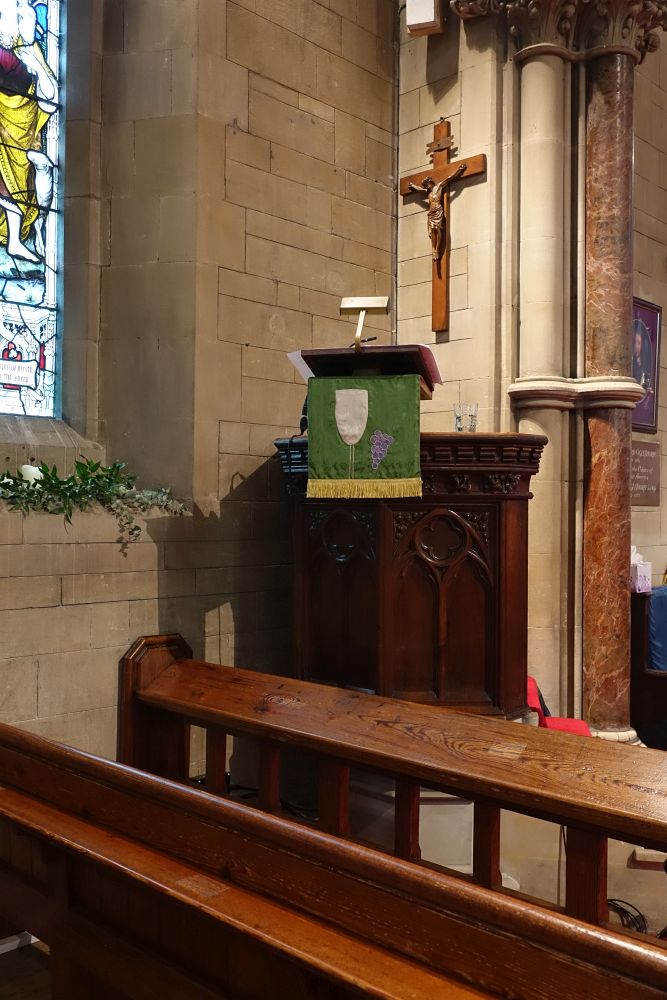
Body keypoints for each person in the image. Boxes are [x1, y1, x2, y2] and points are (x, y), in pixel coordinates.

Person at [0, 0, 56, 263]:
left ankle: (23, 235)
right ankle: (14, 242)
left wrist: (36, 64)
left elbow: (50, 98)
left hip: (26, 126)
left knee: (28, 175)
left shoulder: (31, 49)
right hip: (3, 122)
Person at [409, 164, 466, 262]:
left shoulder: (439, 186)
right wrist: (413, 186)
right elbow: (419, 189)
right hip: (431, 212)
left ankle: (437, 248)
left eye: (427, 185)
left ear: (430, 182)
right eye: (425, 186)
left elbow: (449, 178)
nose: (427, 187)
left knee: (436, 228)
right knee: (432, 229)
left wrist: (459, 170)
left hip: (438, 211)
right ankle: (433, 249)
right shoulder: (428, 192)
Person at [632, 318, 652, 389]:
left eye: (639, 343)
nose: (636, 346)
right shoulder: (630, 363)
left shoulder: (644, 365)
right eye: (634, 342)